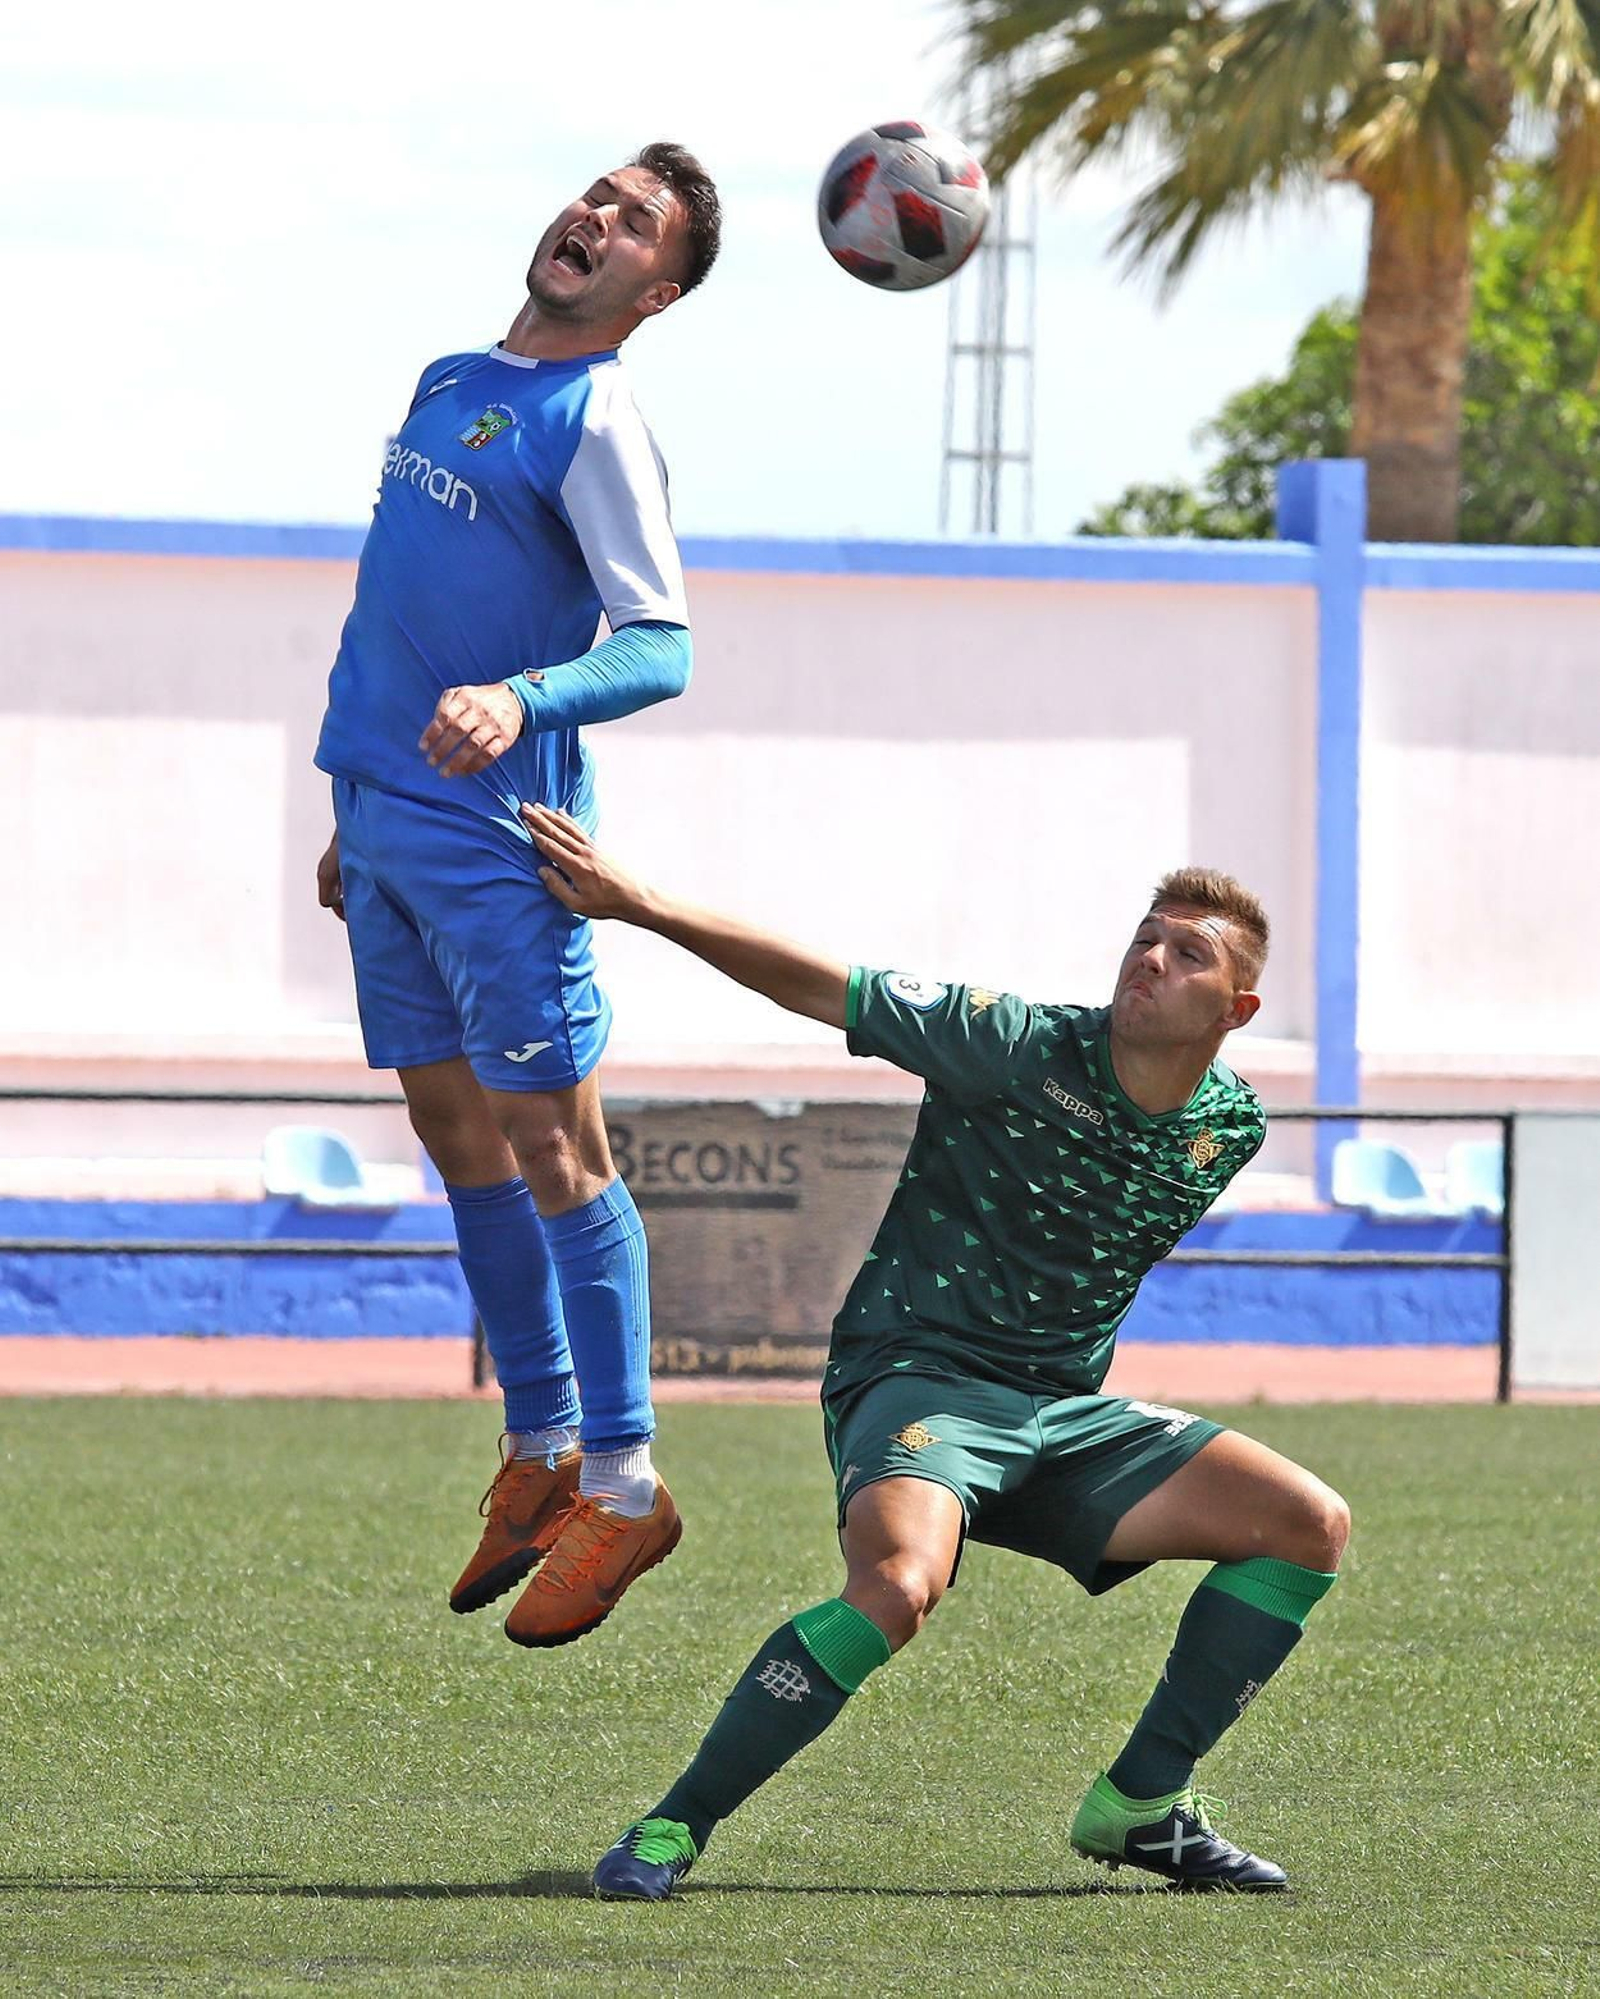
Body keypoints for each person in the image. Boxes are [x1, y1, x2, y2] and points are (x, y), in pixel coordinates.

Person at [517, 802, 1351, 1896]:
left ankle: (1140, 1803)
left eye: (1186, 951)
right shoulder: (1009, 1043)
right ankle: (672, 1826)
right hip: (921, 1383)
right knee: (900, 1584)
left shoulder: (1227, 1124)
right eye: (1145, 935)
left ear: (1234, 1008)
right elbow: (830, 987)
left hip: (1062, 1416)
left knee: (1307, 1523)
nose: (1150, 955)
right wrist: (644, 904)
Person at [312, 146, 722, 1650]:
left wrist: (521, 694)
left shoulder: (600, 415)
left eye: (634, 225)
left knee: (555, 1139)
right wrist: (352, 807)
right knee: (451, 1127)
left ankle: (626, 1477)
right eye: (595, 197)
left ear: (654, 290)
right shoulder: (448, 375)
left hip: (500, 836)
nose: (595, 221)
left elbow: (661, 642)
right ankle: (540, 1444)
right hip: (387, 821)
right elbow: (394, 603)